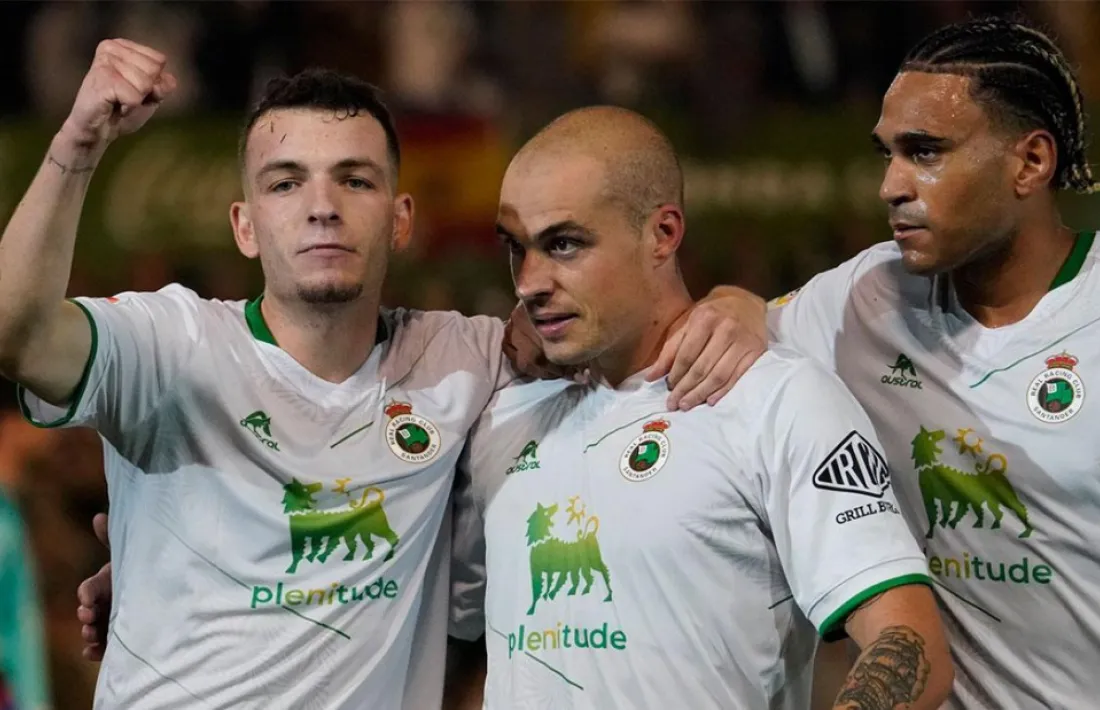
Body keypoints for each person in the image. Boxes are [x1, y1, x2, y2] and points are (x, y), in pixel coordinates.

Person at [0, 40, 757, 710]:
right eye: (286, 183)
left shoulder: (469, 358)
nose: (322, 207)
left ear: (401, 219)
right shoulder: (168, 345)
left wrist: (744, 306)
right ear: (243, 224)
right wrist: (77, 144)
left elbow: (634, 323)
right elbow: (17, 333)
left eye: (354, 181)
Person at [446, 105, 953, 709]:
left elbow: (908, 643)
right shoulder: (501, 411)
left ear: (662, 234)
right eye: (516, 247)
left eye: (563, 244)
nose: (529, 280)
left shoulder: (776, 400)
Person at [717, 16, 1100, 710]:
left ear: (1031, 163)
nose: (891, 185)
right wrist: (730, 303)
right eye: (887, 154)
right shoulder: (865, 295)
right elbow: (740, 322)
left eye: (925, 152)